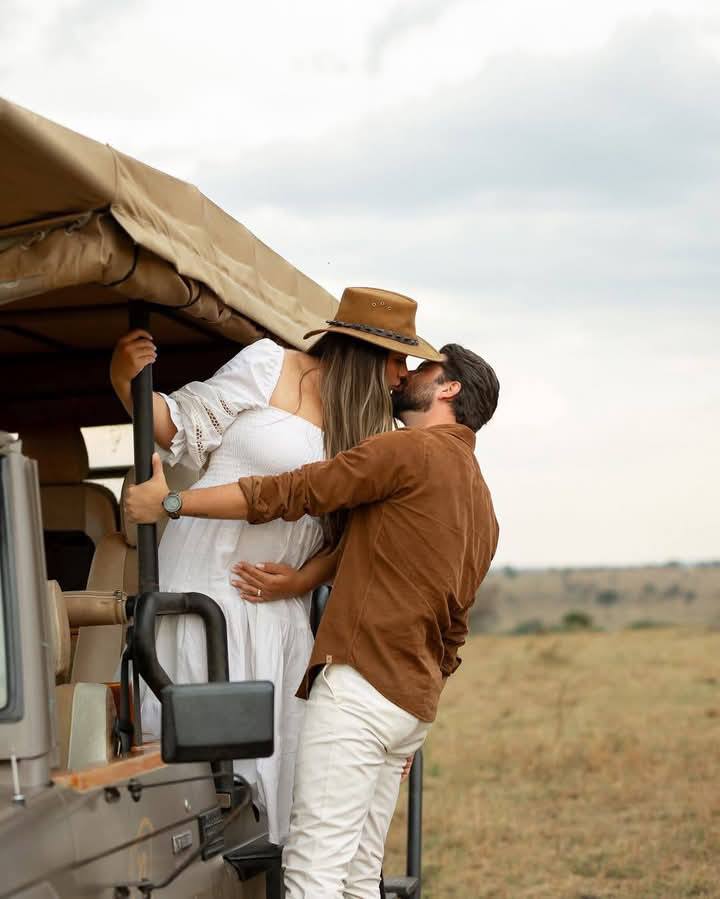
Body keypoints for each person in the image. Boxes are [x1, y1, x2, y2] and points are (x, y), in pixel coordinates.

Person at [125, 341, 500, 898]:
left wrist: (173, 505)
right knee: (357, 874)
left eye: (424, 369)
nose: (406, 378)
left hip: (360, 690)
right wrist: (414, 717)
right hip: (408, 705)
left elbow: (294, 491)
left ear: (449, 390)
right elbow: (453, 629)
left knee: (312, 871)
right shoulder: (483, 504)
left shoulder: (409, 453)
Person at [110, 286, 442, 846]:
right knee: (200, 769)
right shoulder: (270, 363)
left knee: (277, 786)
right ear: (363, 351)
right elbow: (179, 428)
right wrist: (125, 379)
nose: (402, 376)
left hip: (278, 611)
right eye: (396, 359)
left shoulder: (372, 429)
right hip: (203, 585)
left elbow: (361, 530)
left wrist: (307, 578)